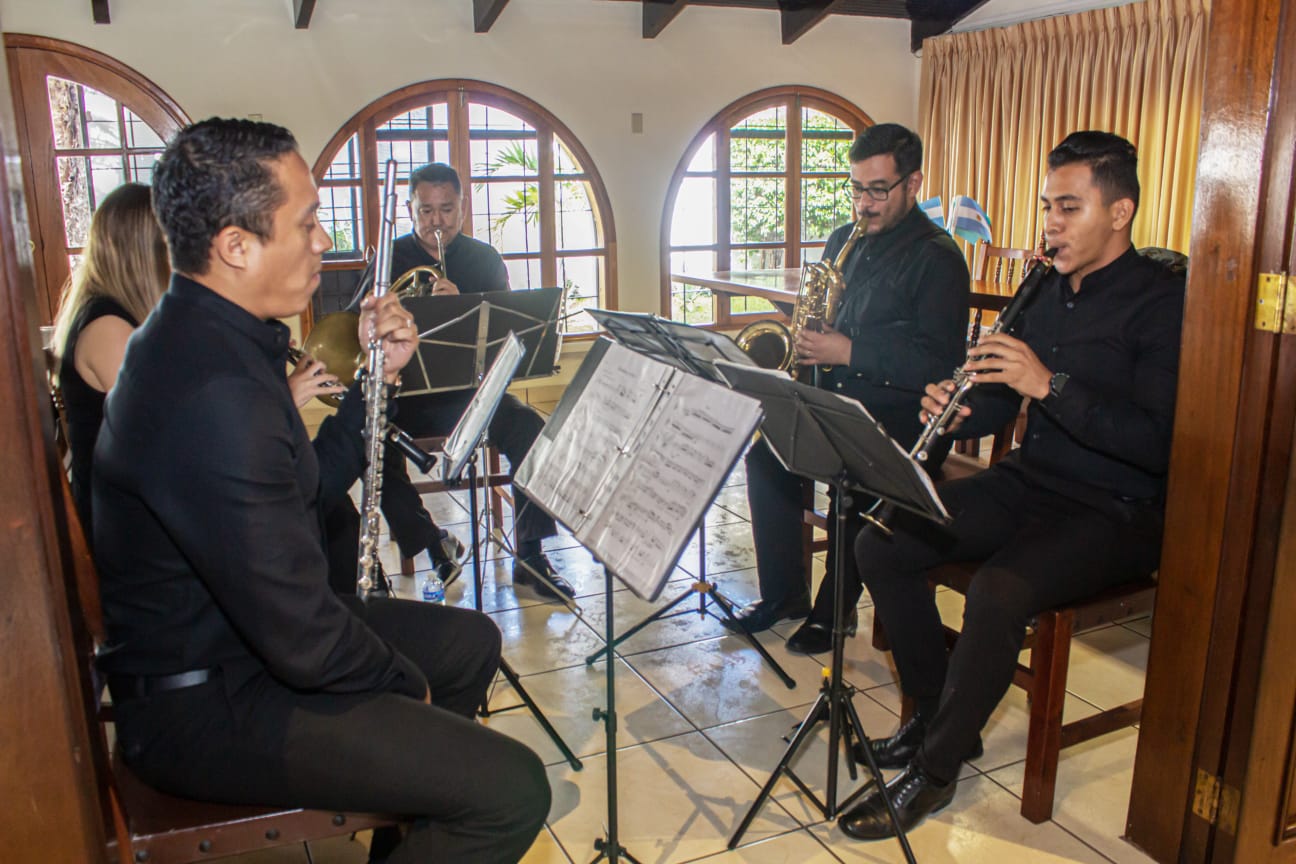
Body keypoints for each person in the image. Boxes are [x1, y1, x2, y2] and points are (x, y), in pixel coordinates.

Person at [92, 118, 550, 864]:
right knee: (513, 789)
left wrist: (378, 378)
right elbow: (303, 638)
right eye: (305, 224)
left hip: (241, 646)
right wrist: (403, 687)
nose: (324, 241)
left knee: (470, 643)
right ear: (236, 247)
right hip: (206, 703)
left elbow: (307, 490)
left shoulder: (214, 338)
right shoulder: (209, 390)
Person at [837, 131, 1184, 840]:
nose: (1051, 223)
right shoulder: (1045, 289)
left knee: (998, 590)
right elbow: (1001, 398)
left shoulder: (1163, 303)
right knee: (883, 541)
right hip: (1035, 480)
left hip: (1117, 508)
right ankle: (937, 720)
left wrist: (1048, 384)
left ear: (1119, 213)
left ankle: (934, 772)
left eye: (1069, 207)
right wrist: (961, 406)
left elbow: (1153, 442)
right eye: (1047, 206)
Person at [728, 124, 970, 656]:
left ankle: (833, 613)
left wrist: (849, 350)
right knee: (766, 457)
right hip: (838, 401)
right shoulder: (844, 240)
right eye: (857, 188)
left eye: (878, 190)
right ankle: (784, 594)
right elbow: (832, 318)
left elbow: (940, 363)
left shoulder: (939, 258)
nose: (864, 204)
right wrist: (809, 332)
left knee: (852, 482)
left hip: (905, 417)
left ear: (913, 184)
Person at [364, 162, 574, 600]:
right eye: (425, 211)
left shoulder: (484, 259)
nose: (436, 221)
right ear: (409, 209)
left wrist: (462, 307)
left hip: (471, 395)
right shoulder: (390, 259)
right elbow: (356, 326)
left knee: (530, 428)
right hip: (408, 396)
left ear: (462, 207)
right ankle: (433, 542)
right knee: (370, 446)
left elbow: (510, 339)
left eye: (447, 209)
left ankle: (530, 557)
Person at [51, 182, 169, 531]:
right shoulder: (107, 327)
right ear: (145, 253)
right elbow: (163, 429)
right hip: (119, 522)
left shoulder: (113, 314)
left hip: (134, 500)